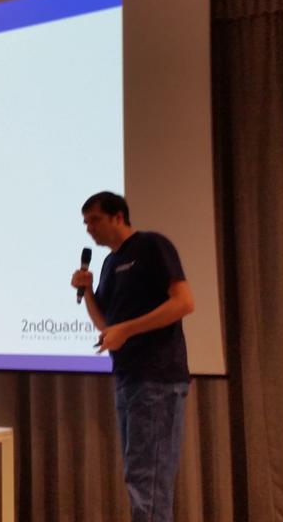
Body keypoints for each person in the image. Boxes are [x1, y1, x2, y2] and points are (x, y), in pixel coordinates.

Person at [70, 191, 194, 522]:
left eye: (95, 220)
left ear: (118, 216)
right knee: (139, 476)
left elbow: (184, 302)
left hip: (158, 378)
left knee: (148, 480)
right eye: (85, 223)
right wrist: (88, 291)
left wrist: (127, 330)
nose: (89, 228)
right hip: (128, 378)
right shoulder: (110, 263)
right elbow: (106, 326)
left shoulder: (151, 246)